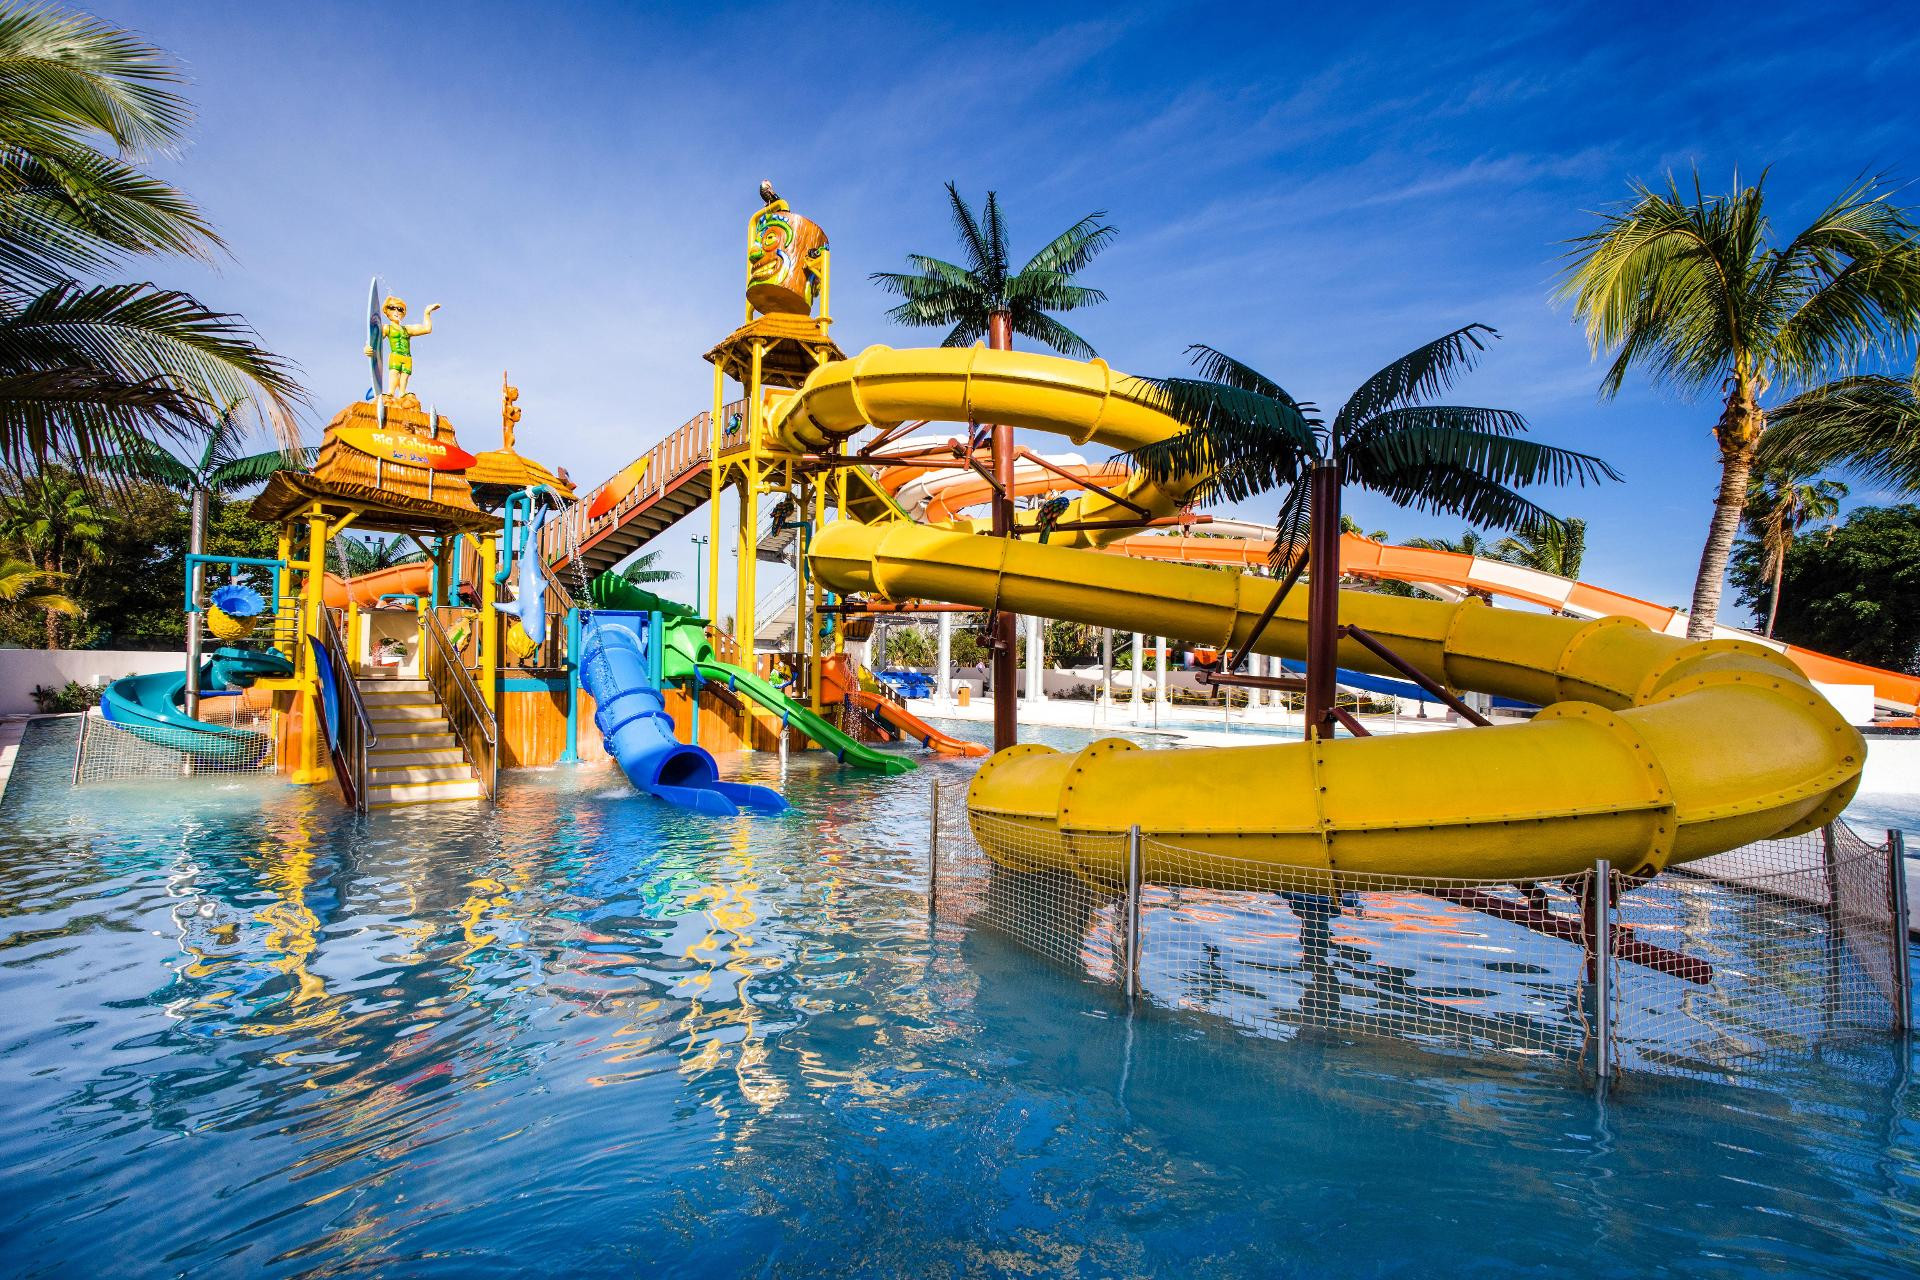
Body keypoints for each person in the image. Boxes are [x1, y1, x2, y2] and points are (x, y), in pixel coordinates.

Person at [366, 295, 441, 400]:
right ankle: (391, 393)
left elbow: (426, 329)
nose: (396, 311)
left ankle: (402, 393)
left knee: (405, 376)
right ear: (386, 311)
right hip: (395, 355)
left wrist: (427, 313)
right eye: (392, 308)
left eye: (400, 309)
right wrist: (368, 347)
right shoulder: (387, 328)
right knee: (394, 373)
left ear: (403, 313)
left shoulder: (407, 329)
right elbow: (375, 341)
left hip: (407, 357)